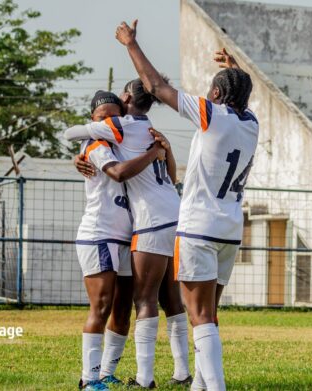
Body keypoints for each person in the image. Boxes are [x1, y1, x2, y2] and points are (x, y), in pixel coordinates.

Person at [115, 20, 258, 391]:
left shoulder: (211, 114)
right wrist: (235, 69)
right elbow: (242, 95)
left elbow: (156, 87)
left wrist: (131, 45)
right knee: (208, 315)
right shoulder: (251, 124)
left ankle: (216, 387)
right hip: (230, 227)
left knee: (201, 317)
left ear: (215, 93)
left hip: (198, 227)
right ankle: (198, 385)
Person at [68, 79, 190, 389]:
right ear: (93, 120)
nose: (107, 120)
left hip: (132, 232)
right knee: (104, 304)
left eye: (113, 113)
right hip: (101, 232)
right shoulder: (96, 143)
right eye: (100, 117)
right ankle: (89, 378)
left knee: (124, 307)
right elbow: (116, 171)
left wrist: (163, 150)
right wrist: (155, 153)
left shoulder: (127, 136)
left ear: (123, 109)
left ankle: (108, 371)